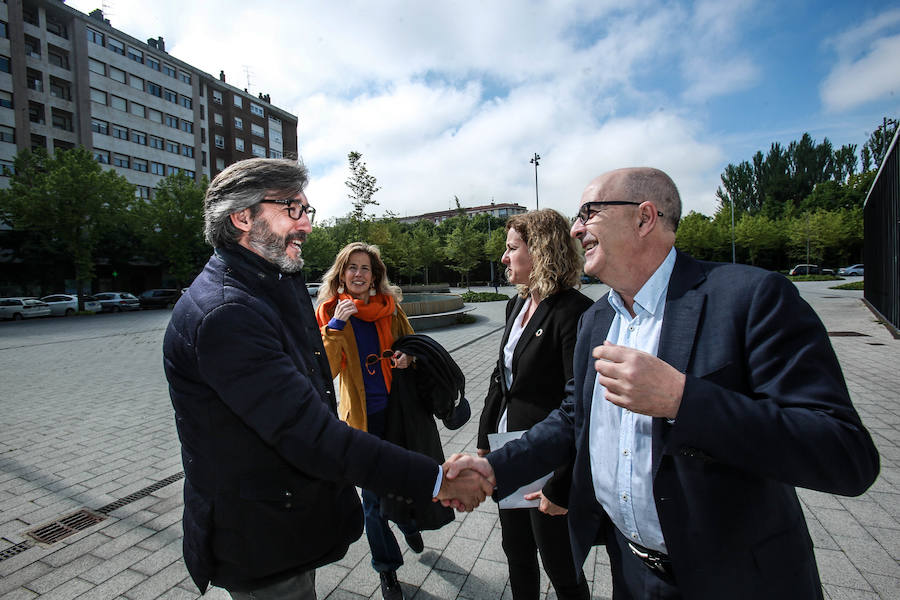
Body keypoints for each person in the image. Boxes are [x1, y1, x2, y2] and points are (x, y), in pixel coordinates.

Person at [446, 167, 880, 599]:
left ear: (644, 218)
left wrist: (682, 400)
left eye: (589, 213)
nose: (576, 229)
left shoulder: (752, 297)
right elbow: (574, 417)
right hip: (633, 574)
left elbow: (844, 453)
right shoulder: (596, 320)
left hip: (735, 580)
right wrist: (496, 468)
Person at [163, 158, 492, 600]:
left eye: (307, 210)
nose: (307, 224)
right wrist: (438, 479)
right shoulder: (227, 314)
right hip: (261, 540)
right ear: (242, 218)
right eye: (292, 209)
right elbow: (310, 433)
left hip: (287, 523)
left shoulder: (272, 286)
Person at [476, 209, 592, 600]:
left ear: (540, 251)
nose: (504, 257)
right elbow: (501, 377)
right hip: (509, 450)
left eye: (512, 248)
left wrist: (562, 483)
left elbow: (581, 407)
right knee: (517, 553)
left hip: (548, 461)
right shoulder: (516, 305)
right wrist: (485, 437)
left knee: (561, 565)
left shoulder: (573, 312)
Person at [314, 242, 422, 600]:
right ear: (342, 274)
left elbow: (414, 345)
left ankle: (407, 521)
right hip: (362, 419)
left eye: (365, 268)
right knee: (372, 500)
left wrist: (408, 357)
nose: (358, 274)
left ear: (375, 277)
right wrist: (336, 325)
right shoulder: (330, 312)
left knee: (401, 483)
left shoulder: (390, 308)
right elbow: (325, 370)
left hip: (397, 413)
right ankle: (387, 569)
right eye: (352, 267)